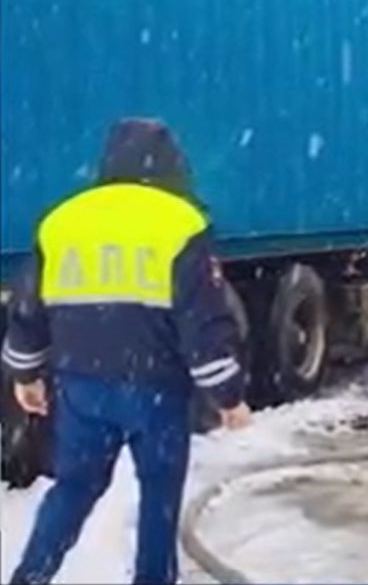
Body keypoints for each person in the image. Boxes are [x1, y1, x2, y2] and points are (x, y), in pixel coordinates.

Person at [3, 118, 251, 585]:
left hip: (81, 386)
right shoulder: (182, 222)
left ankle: (30, 576)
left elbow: (27, 307)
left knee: (73, 489)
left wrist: (25, 374)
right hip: (154, 390)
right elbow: (203, 321)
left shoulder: (62, 220)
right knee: (159, 493)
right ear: (171, 165)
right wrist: (227, 394)